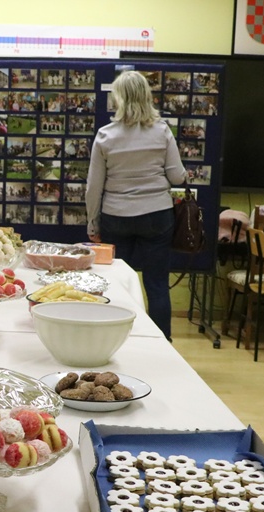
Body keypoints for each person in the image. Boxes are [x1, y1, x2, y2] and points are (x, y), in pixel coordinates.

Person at [86, 70, 186, 342]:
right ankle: (161, 343)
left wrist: (92, 222)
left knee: (117, 284)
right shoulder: (162, 131)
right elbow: (177, 177)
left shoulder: (105, 136)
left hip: (116, 216)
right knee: (157, 284)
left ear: (119, 98)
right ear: (146, 96)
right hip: (157, 215)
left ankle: (117, 341)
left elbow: (94, 186)